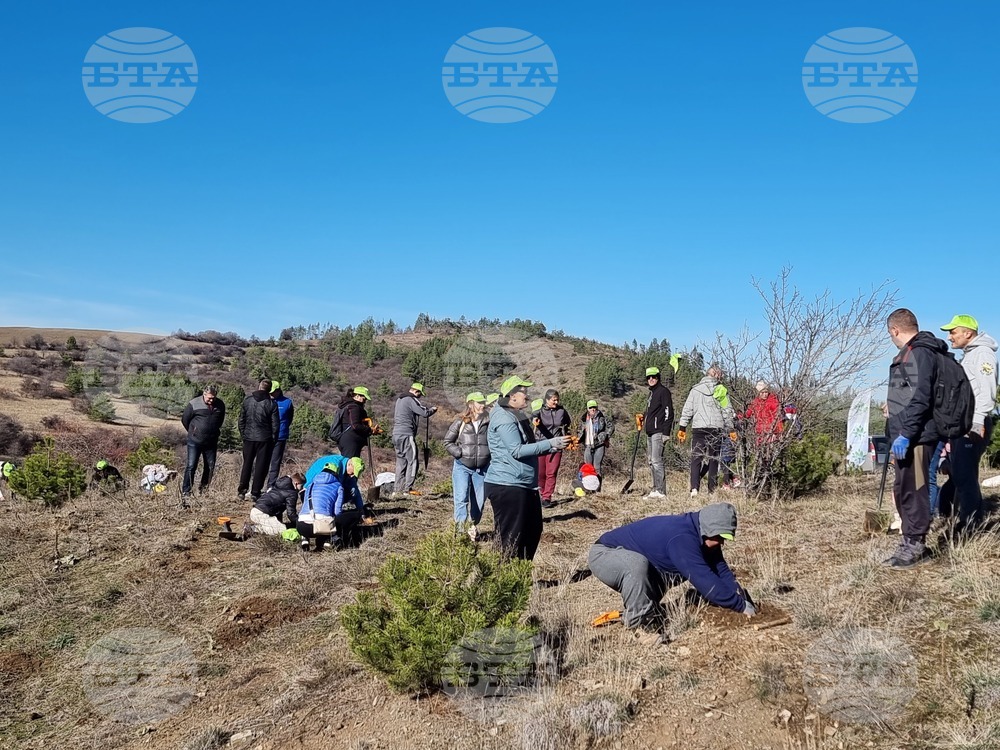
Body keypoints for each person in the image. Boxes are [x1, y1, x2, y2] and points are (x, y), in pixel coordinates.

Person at [588, 502, 754, 639]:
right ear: (709, 529)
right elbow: (703, 579)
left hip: (645, 565)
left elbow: (720, 569)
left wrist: (740, 595)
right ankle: (641, 629)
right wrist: (738, 606)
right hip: (605, 554)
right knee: (637, 564)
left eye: (726, 538)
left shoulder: (703, 533)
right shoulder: (682, 539)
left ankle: (641, 611)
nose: (722, 543)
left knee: (674, 570)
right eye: (720, 537)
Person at [886, 308, 946, 569]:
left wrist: (906, 435)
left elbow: (921, 398)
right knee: (903, 490)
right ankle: (908, 542)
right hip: (907, 435)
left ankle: (916, 545)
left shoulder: (919, 353)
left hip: (917, 437)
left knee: (916, 490)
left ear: (894, 330)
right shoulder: (911, 353)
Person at [484, 375, 570, 560]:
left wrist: (554, 446)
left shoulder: (516, 414)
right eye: (524, 393)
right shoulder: (504, 417)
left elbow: (528, 447)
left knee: (532, 530)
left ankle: (520, 574)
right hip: (508, 484)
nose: (527, 396)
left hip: (524, 484)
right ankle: (502, 578)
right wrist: (551, 443)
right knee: (510, 537)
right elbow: (516, 450)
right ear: (512, 396)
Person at [937, 315, 997, 535]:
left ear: (968, 333)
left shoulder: (983, 354)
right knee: (961, 474)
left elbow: (987, 390)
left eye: (953, 332)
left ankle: (971, 523)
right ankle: (959, 516)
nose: (949, 336)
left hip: (973, 424)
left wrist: (977, 420)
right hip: (964, 423)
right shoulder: (969, 355)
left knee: (964, 475)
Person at [677, 366, 733, 497]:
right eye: (721, 375)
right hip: (716, 429)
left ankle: (694, 488)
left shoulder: (695, 389)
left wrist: (682, 427)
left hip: (699, 428)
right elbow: (727, 412)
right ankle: (711, 490)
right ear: (717, 375)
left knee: (696, 458)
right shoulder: (721, 390)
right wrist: (731, 428)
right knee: (713, 459)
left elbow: (687, 409)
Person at [444, 391, 491, 540]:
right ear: (471, 404)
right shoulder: (461, 422)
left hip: (482, 469)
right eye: (479, 402)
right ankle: (460, 533)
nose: (483, 405)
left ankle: (472, 525)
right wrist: (459, 453)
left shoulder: (489, 422)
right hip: (462, 467)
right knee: (461, 498)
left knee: (479, 502)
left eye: (483, 402)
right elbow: (447, 442)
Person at [391, 383, 438, 496]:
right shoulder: (411, 399)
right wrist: (433, 410)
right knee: (413, 460)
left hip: (396, 434)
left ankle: (397, 489)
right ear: (417, 392)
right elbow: (424, 412)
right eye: (420, 394)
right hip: (407, 434)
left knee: (401, 462)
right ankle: (408, 489)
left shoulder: (399, 400)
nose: (420, 397)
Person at [238, 379, 280, 502]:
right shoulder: (271, 404)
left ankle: (242, 490)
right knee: (261, 466)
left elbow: (241, 420)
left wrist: (244, 435)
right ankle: (255, 492)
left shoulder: (248, 400)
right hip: (264, 438)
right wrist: (273, 440)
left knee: (247, 464)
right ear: (270, 389)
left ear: (259, 386)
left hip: (249, 438)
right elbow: (275, 425)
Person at [181, 385, 226, 499]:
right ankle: (186, 491)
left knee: (210, 467)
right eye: (209, 398)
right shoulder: (194, 404)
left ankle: (204, 490)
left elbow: (220, 421)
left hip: (211, 441)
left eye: (213, 398)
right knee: (191, 466)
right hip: (194, 441)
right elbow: (185, 420)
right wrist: (194, 432)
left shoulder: (220, 405)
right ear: (204, 394)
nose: (211, 400)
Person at [643, 367, 674, 499]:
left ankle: (661, 491)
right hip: (650, 432)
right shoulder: (651, 394)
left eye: (653, 376)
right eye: (648, 377)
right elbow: (652, 412)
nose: (651, 379)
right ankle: (655, 488)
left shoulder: (663, 392)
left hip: (659, 431)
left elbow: (669, 412)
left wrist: (666, 432)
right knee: (651, 461)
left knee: (656, 460)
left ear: (658, 377)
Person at [536, 389, 571, 507]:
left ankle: (547, 497)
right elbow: (533, 416)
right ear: (547, 400)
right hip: (541, 444)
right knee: (540, 473)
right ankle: (540, 493)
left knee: (551, 472)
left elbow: (568, 424)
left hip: (557, 445)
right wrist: (535, 420)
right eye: (553, 400)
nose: (556, 402)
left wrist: (567, 438)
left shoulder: (561, 411)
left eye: (557, 400)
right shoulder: (540, 410)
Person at [329, 387, 373, 459]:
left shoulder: (346, 405)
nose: (365, 401)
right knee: (351, 465)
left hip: (344, 439)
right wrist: (369, 429)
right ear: (357, 396)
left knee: (347, 463)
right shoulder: (354, 407)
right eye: (364, 398)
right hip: (351, 441)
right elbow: (355, 425)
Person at [266, 381, 295, 491]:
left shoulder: (287, 403)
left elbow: (289, 418)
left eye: (273, 392)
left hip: (280, 436)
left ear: (278, 391)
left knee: (275, 462)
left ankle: (270, 486)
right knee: (263, 461)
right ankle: (257, 486)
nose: (271, 394)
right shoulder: (266, 401)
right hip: (266, 436)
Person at [579, 400, 614, 476]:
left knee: (597, 468)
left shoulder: (603, 416)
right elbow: (579, 430)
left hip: (600, 444)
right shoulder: (583, 418)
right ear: (587, 408)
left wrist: (605, 435)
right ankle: (588, 486)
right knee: (588, 468)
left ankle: (598, 486)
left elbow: (611, 426)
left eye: (594, 407)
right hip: (588, 445)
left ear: (597, 407)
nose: (593, 409)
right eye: (590, 407)